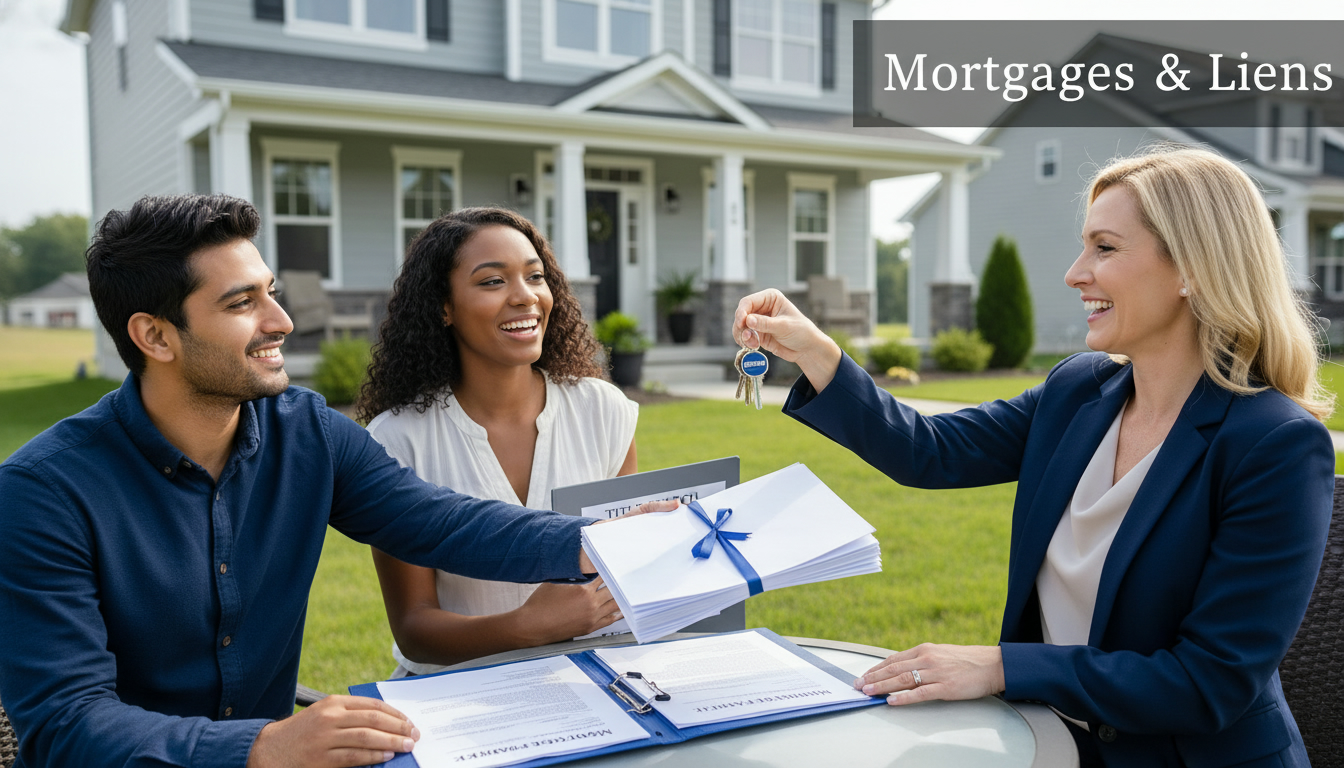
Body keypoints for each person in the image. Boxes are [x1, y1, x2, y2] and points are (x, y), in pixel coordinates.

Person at [0, 195, 669, 768]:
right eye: (242, 303)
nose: (281, 322)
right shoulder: (43, 495)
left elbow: (438, 521)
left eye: (272, 293)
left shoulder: (306, 432)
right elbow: (65, 724)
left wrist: (593, 542)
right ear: (155, 335)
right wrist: (260, 747)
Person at [734, 147, 1333, 767]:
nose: (1075, 273)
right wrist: (817, 353)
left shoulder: (1275, 445)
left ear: (1191, 269)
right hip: (1048, 742)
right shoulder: (1079, 390)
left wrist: (999, 665)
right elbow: (929, 451)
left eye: (1104, 248)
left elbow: (1207, 684)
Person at [355, 208, 638, 675]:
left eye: (535, 277)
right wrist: (528, 625)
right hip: (458, 699)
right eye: (492, 282)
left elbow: (623, 573)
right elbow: (415, 629)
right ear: (443, 306)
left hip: (590, 686)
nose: (525, 297)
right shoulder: (396, 439)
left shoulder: (602, 410)